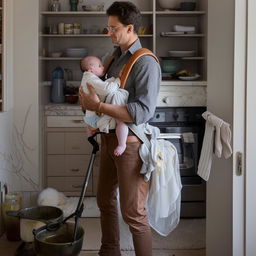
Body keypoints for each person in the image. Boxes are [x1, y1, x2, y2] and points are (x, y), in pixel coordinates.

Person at [79, 1, 161, 256]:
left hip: (131, 144)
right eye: (108, 28)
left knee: (134, 213)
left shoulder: (146, 63)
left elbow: (141, 112)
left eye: (113, 28)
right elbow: (101, 95)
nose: (109, 33)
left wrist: (98, 106)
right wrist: (88, 102)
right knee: (104, 200)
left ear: (130, 27)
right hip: (109, 139)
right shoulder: (112, 58)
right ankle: (109, 252)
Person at [80, 55, 129, 156]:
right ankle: (122, 144)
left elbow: (101, 89)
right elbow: (108, 89)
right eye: (99, 65)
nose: (103, 67)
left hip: (89, 118)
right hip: (96, 118)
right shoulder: (91, 79)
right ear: (91, 69)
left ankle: (91, 133)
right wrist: (118, 80)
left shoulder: (86, 78)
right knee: (121, 122)